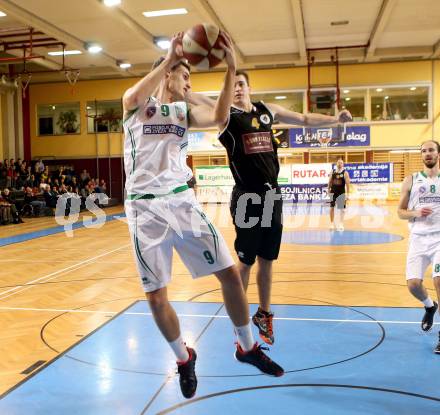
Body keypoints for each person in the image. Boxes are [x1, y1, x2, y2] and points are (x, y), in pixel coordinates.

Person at [122, 32, 284, 400]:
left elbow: (220, 116)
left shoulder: (183, 113)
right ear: (167, 76)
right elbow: (131, 97)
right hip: (145, 210)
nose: (189, 84)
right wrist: (169, 58)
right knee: (157, 299)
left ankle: (246, 347)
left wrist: (231, 69)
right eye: (185, 77)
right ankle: (183, 358)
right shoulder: (136, 107)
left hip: (181, 202)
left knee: (229, 273)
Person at [190, 70, 352, 345]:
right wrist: (177, 85)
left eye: (241, 84)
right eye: (233, 86)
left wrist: (334, 119)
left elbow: (301, 119)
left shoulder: (266, 111)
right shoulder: (226, 116)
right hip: (246, 198)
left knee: (267, 259)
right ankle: (239, 319)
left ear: (249, 87)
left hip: (272, 196)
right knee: (245, 261)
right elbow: (197, 99)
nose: (237, 89)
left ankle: (264, 314)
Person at [398, 140, 440, 353]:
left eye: (431, 150)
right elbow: (400, 212)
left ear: (438, 154)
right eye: (424, 151)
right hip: (418, 238)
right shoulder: (411, 180)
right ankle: (430, 306)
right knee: (413, 284)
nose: (427, 153)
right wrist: (415, 213)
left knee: (438, 279)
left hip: (439, 238)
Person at [328, 158, 350, 231]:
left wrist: (348, 194)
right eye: (338, 162)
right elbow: (330, 181)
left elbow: (348, 184)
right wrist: (328, 189)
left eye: (341, 163)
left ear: (343, 164)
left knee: (342, 209)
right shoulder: (333, 171)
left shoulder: (345, 173)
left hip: (341, 192)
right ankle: (331, 223)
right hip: (333, 192)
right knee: (331, 208)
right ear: (336, 164)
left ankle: (341, 224)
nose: (339, 164)